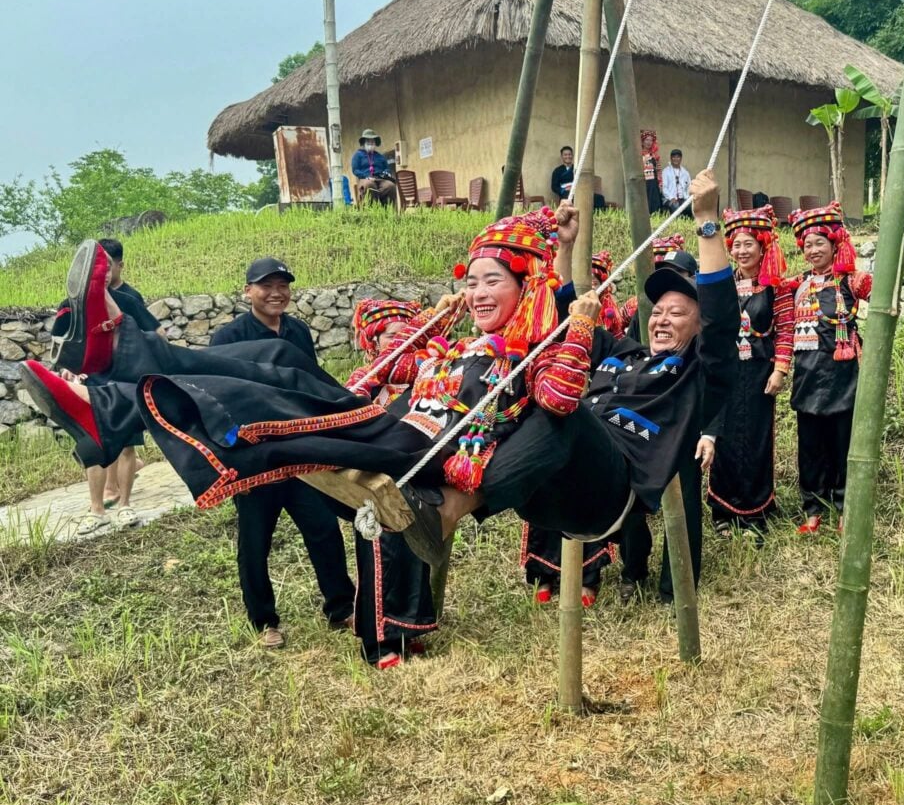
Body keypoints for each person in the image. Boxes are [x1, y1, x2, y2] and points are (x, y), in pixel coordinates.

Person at [24, 170, 736, 578]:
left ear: (698, 324)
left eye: (679, 312)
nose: (664, 320)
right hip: (466, 449)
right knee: (283, 365)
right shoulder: (616, 350)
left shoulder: (691, 375)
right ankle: (115, 373)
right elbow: (552, 313)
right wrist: (560, 255)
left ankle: (449, 513)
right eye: (659, 310)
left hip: (602, 490)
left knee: (562, 410)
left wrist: (706, 222)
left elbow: (577, 349)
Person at [209, 257, 356, 649]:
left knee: (323, 528)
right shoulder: (228, 338)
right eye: (266, 286)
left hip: (300, 449)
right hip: (255, 456)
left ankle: (341, 606)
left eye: (283, 285)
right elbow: (216, 399)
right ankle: (264, 621)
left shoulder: (298, 331)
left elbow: (309, 386)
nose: (276, 293)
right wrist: (231, 458)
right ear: (248, 291)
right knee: (255, 541)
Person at [345, 298, 457, 668]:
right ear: (375, 342)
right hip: (376, 484)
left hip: (416, 481)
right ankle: (378, 644)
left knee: (415, 555)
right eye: (392, 337)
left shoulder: (426, 378)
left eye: (408, 335)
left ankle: (407, 632)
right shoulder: (365, 380)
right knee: (382, 558)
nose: (402, 343)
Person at [519, 251, 624, 607]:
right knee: (547, 490)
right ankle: (545, 574)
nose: (589, 287)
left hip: (592, 419)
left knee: (585, 494)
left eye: (595, 281)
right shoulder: (554, 319)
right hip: (551, 411)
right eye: (584, 281)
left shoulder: (610, 323)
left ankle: (588, 578)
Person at [51, 237, 162, 536]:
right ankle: (96, 509)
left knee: (127, 447)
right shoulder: (69, 306)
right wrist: (67, 371)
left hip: (124, 383)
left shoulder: (128, 301)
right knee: (93, 446)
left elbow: (157, 335)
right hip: (90, 385)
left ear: (114, 268)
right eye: (94, 268)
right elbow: (59, 347)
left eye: (105, 267)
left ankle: (125, 504)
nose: (100, 273)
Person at [706, 205, 794, 536]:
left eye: (749, 244)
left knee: (756, 438)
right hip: (726, 372)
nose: (742, 251)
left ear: (762, 246)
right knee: (724, 437)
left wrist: (780, 370)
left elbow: (786, 329)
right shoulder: (723, 284)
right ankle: (723, 509)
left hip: (759, 373)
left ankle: (755, 510)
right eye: (737, 245)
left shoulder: (776, 287)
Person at [786, 202, 872, 534]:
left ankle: (845, 507)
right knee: (810, 448)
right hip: (807, 377)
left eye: (819, 243)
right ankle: (813, 508)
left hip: (842, 378)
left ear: (835, 244)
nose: (813, 250)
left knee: (842, 445)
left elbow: (883, 293)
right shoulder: (798, 284)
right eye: (807, 245)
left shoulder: (851, 280)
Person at [549, 146, 606, 210]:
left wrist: (577, 188)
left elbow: (583, 182)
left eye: (569, 154)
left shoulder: (577, 169)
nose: (568, 156)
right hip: (566, 193)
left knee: (599, 198)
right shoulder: (557, 171)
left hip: (579, 191)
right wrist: (564, 190)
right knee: (571, 198)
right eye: (565, 155)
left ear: (572, 155)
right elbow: (554, 187)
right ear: (562, 156)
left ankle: (598, 215)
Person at [351, 129, 397, 207]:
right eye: (368, 141)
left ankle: (388, 211)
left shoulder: (380, 157)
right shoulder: (358, 155)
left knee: (390, 186)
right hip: (365, 178)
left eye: (372, 141)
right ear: (364, 143)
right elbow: (355, 170)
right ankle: (373, 210)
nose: (371, 143)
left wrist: (386, 172)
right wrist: (366, 176)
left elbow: (387, 168)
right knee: (369, 185)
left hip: (380, 179)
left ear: (375, 143)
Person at [660, 149, 692, 217]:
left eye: (678, 157)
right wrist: (671, 198)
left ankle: (687, 222)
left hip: (682, 198)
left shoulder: (685, 172)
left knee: (690, 206)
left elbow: (689, 187)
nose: (676, 159)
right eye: (674, 157)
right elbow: (664, 188)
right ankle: (677, 222)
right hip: (669, 199)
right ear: (671, 158)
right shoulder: (666, 171)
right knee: (675, 206)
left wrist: (687, 198)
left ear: (681, 158)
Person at [641, 129, 662, 216]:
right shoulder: (639, 154)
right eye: (647, 140)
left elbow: (659, 170)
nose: (649, 142)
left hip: (653, 182)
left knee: (654, 202)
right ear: (642, 141)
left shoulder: (654, 155)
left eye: (651, 140)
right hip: (643, 182)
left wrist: (660, 183)